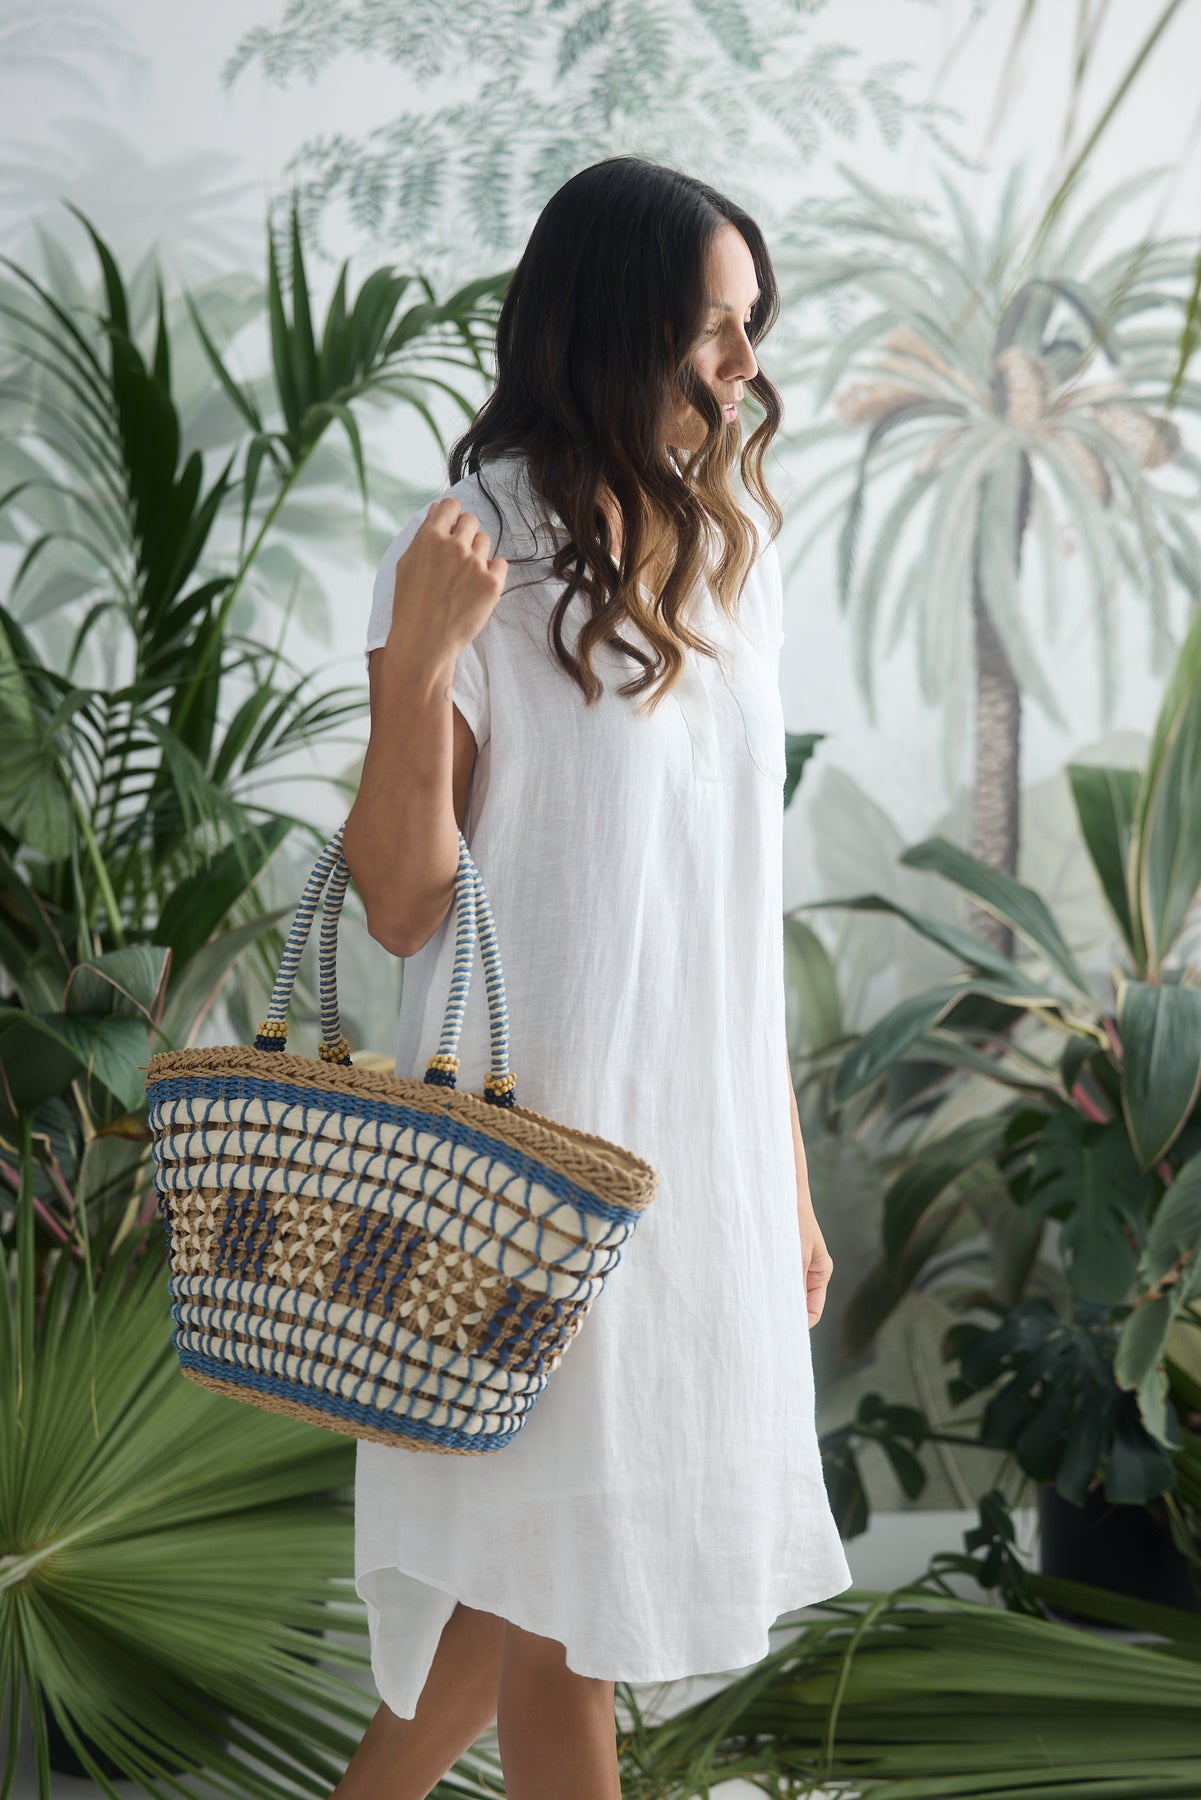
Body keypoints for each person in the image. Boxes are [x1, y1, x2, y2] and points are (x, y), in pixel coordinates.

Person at [335, 154, 853, 1800]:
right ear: (613, 322)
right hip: (525, 1169)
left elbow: (728, 908)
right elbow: (401, 902)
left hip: (692, 1166)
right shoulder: (468, 548)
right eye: (714, 325)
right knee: (565, 1612)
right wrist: (419, 662)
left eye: (752, 323)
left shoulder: (727, 553)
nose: (746, 361)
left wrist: (780, 1178)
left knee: (541, 1585)